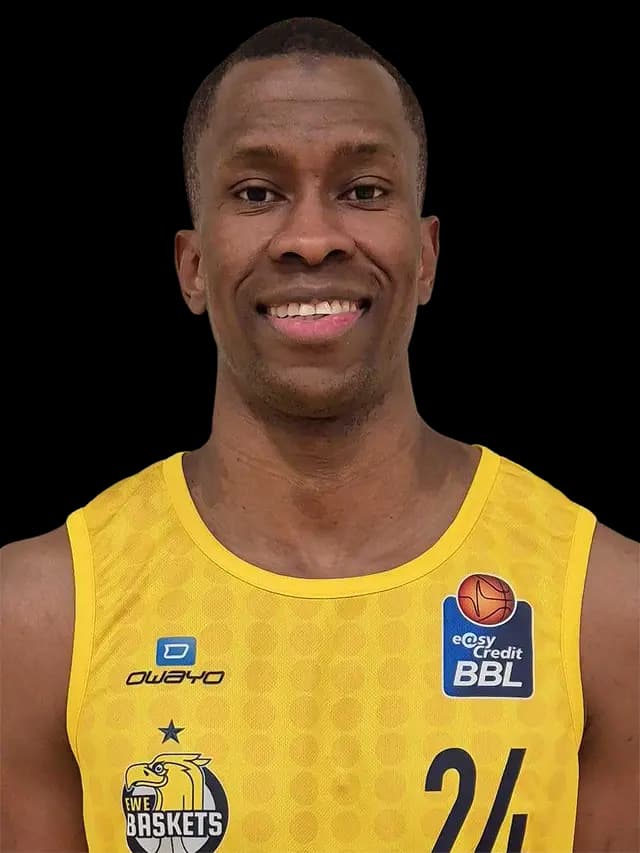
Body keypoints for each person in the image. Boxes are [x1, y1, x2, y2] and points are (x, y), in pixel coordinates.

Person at [1, 16, 637, 853]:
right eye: (256, 193)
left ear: (426, 255)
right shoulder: (43, 614)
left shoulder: (603, 603)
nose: (310, 240)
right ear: (193, 265)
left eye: (364, 191)